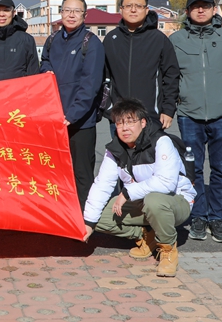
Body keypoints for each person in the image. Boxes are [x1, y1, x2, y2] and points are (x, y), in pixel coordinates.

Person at [81, 98, 196, 278]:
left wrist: (127, 192)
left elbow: (166, 182)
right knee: (97, 215)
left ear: (143, 123)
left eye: (130, 122)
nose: (124, 128)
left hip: (177, 201)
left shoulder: (161, 141)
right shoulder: (115, 149)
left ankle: (168, 249)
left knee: (154, 201)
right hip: (141, 201)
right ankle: (146, 236)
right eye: (120, 123)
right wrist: (88, 224)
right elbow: (102, 184)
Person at [171, 0, 222, 243]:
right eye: (195, 6)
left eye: (205, 5)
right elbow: (170, 74)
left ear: (214, 9)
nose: (201, 10)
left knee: (221, 169)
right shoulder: (177, 40)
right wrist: (181, 96)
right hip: (189, 114)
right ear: (187, 11)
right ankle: (198, 216)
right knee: (193, 170)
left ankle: (216, 218)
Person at [39, 0, 105, 209]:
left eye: (77, 11)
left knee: (81, 174)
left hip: (80, 122)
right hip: (54, 119)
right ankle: (60, 213)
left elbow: (91, 85)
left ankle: (84, 217)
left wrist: (72, 115)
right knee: (56, 171)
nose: (71, 15)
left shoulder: (91, 43)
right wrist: (46, 70)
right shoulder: (52, 39)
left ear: (84, 15)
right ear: (61, 13)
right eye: (67, 10)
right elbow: (45, 61)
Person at [103, 0, 179, 131]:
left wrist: (168, 110)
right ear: (121, 9)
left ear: (146, 10)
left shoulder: (159, 39)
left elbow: (171, 77)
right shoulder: (111, 39)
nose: (133, 10)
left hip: (151, 117)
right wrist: (108, 108)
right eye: (128, 6)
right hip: (119, 118)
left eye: (138, 6)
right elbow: (103, 78)